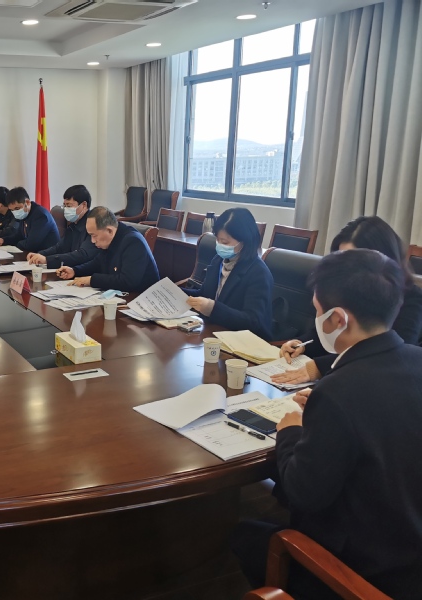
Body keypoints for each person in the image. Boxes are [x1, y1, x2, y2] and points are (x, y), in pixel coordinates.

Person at [233, 249, 422, 599]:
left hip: (364, 573)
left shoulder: (337, 391)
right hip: (411, 550)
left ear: (337, 319)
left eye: (317, 310)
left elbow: (303, 493)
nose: (316, 318)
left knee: (242, 536)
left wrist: (291, 430)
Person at [273, 216, 422, 386]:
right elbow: (328, 329)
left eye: (354, 260)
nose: (343, 268)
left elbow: (388, 355)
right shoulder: (340, 288)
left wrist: (319, 366)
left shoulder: (411, 297)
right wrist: (302, 344)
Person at [182, 208, 273, 341]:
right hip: (214, 333)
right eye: (217, 240)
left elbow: (252, 321)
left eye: (224, 242)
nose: (219, 245)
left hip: (243, 342)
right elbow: (205, 294)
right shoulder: (218, 260)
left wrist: (212, 308)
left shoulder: (258, 273)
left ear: (244, 241)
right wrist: (176, 293)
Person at [55, 207, 159, 293]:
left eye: (94, 235)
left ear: (109, 230)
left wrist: (91, 280)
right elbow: (97, 263)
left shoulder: (133, 242)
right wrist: (74, 271)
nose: (92, 241)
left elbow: (127, 281)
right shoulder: (111, 239)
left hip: (141, 300)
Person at [27, 184, 100, 269]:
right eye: (64, 206)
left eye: (69, 206)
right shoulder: (73, 225)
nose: (66, 209)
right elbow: (60, 248)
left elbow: (82, 255)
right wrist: (40, 254)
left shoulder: (93, 226)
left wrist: (47, 260)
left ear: (84, 205)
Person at [0, 186, 59, 253]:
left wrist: (17, 244)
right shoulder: (25, 214)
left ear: (27, 202)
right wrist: (4, 240)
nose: (15, 212)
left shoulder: (40, 215)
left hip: (48, 255)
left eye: (17, 208)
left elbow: (31, 244)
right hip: (33, 253)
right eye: (12, 210)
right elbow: (19, 236)